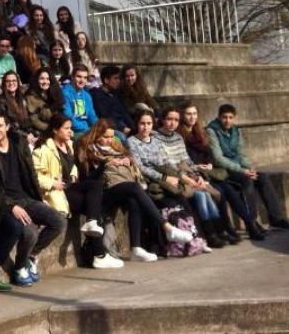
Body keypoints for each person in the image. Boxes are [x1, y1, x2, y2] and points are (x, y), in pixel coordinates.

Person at [76, 119, 193, 262]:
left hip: (120, 186)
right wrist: (105, 164)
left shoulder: (116, 146)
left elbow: (134, 164)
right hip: (102, 191)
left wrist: (127, 161)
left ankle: (136, 248)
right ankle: (167, 228)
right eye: (105, 137)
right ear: (96, 134)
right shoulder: (86, 148)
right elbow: (88, 179)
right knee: (134, 188)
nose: (109, 140)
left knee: (134, 200)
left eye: (112, 136)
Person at [0, 111, 66, 286]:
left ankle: (29, 257)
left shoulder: (19, 143)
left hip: (26, 198)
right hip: (3, 202)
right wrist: (11, 206)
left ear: (7, 127)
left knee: (58, 221)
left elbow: (31, 173)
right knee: (29, 231)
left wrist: (38, 197)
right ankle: (18, 269)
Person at [32, 114, 121, 269]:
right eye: (66, 128)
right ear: (55, 130)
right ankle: (99, 255)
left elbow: (71, 165)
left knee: (95, 188)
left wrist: (73, 173)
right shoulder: (43, 149)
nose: (70, 132)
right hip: (55, 191)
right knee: (93, 206)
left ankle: (93, 231)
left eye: (70, 128)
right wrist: (53, 183)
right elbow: (34, 175)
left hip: (69, 186)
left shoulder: (69, 145)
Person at [128, 110, 209, 255]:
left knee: (185, 203)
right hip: (150, 183)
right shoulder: (132, 141)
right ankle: (160, 245)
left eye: (149, 123)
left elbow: (167, 164)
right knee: (162, 205)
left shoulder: (156, 141)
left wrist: (188, 179)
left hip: (166, 180)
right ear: (137, 124)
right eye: (142, 123)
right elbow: (141, 167)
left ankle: (198, 239)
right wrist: (164, 178)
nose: (145, 127)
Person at [206, 104, 289, 232]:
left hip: (239, 167)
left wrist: (250, 168)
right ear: (219, 117)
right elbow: (218, 159)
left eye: (230, 117)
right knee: (246, 180)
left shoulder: (236, 130)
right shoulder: (212, 130)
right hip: (224, 170)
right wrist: (243, 171)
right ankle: (252, 221)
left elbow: (241, 154)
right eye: (224, 117)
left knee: (262, 177)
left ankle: (276, 218)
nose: (227, 120)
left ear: (235, 118)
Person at [178, 101, 253, 241]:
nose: (192, 117)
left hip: (208, 172)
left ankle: (247, 224)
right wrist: (198, 169)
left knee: (227, 189)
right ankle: (225, 229)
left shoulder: (199, 132)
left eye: (194, 114)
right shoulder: (180, 135)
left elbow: (209, 155)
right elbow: (184, 160)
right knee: (221, 192)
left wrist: (210, 164)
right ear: (182, 115)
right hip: (193, 173)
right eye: (188, 114)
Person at [155, 107, 228, 248]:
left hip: (188, 175)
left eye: (176, 120)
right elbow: (165, 164)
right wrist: (187, 178)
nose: (172, 123)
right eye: (169, 119)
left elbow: (187, 161)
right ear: (163, 120)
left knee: (207, 193)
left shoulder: (177, 137)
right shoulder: (156, 138)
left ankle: (218, 230)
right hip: (173, 178)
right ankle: (211, 234)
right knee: (202, 195)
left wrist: (198, 176)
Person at [90, 66, 134, 135]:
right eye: (116, 78)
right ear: (106, 80)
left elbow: (124, 113)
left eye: (119, 78)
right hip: (111, 128)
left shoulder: (115, 93)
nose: (118, 81)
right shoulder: (97, 96)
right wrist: (123, 128)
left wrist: (133, 127)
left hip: (125, 126)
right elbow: (105, 117)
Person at [0, 71, 36, 145]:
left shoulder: (23, 97)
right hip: (15, 138)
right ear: (4, 84)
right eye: (8, 81)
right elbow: (8, 125)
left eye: (14, 80)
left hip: (29, 134)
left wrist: (32, 133)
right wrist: (25, 135)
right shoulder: (1, 101)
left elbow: (30, 119)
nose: (11, 83)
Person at [25, 67, 65, 134]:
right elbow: (34, 121)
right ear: (36, 80)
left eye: (47, 79)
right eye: (42, 79)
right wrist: (51, 129)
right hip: (41, 132)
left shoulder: (53, 94)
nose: (45, 82)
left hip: (56, 129)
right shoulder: (30, 97)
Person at [62, 65, 98, 137]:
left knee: (116, 138)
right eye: (79, 77)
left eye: (85, 78)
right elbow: (68, 118)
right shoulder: (65, 93)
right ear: (72, 77)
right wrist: (87, 129)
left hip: (87, 130)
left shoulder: (87, 96)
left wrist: (100, 128)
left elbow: (92, 117)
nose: (82, 80)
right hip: (73, 132)